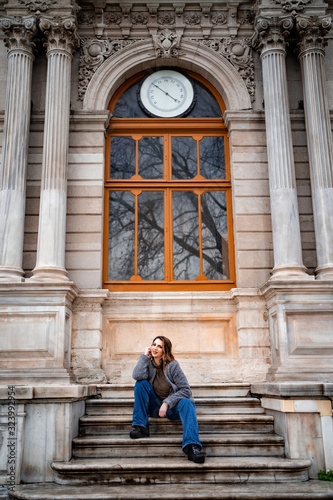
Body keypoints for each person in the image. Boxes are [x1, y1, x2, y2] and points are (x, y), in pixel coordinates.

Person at [130, 335, 205, 464]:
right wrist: (144, 356)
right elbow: (137, 376)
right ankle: (141, 427)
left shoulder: (172, 366)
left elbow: (186, 390)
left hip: (172, 409)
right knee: (140, 384)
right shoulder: (147, 363)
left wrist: (167, 402)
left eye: (159, 346)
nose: (155, 348)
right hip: (154, 407)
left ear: (165, 350)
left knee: (187, 403)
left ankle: (192, 446)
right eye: (153, 345)